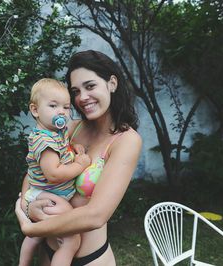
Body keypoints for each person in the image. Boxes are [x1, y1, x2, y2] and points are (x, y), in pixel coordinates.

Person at [16, 50, 142, 265]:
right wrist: (28, 207)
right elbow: (33, 175)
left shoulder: (126, 141)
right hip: (48, 253)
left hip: (90, 259)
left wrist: (30, 227)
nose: (82, 97)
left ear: (112, 83)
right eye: (76, 91)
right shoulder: (70, 129)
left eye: (90, 86)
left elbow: (96, 215)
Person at [19, 78, 92, 266]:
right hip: (50, 195)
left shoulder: (54, 133)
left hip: (43, 192)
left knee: (37, 234)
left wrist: (73, 146)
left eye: (66, 107)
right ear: (35, 110)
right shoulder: (46, 142)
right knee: (72, 241)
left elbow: (62, 147)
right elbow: (53, 174)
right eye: (53, 106)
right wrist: (81, 165)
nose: (61, 111)